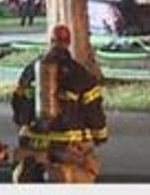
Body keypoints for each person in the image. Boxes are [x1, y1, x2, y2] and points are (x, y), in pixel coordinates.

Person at [10, 25, 108, 183]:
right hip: (68, 145)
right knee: (90, 168)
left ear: (50, 41)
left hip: (33, 143)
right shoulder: (81, 74)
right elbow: (94, 113)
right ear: (69, 42)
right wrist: (100, 136)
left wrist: (25, 129)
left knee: (24, 168)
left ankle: (30, 167)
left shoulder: (29, 71)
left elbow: (18, 107)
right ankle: (63, 173)